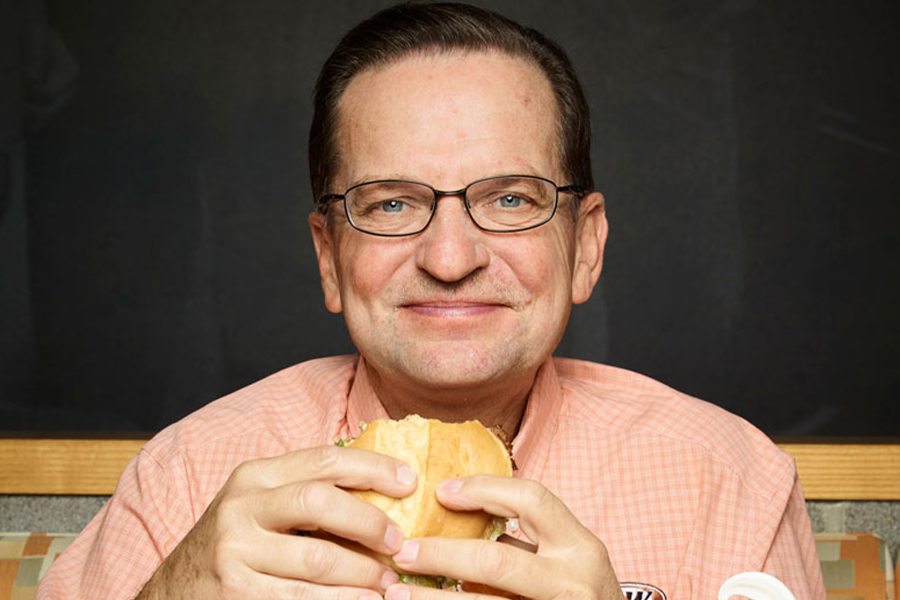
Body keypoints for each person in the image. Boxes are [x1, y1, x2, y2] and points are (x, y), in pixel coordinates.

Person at [37, 3, 825, 599]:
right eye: (390, 205)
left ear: (585, 246)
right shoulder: (187, 477)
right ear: (328, 259)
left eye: (512, 199)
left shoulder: (730, 483)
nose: (450, 258)